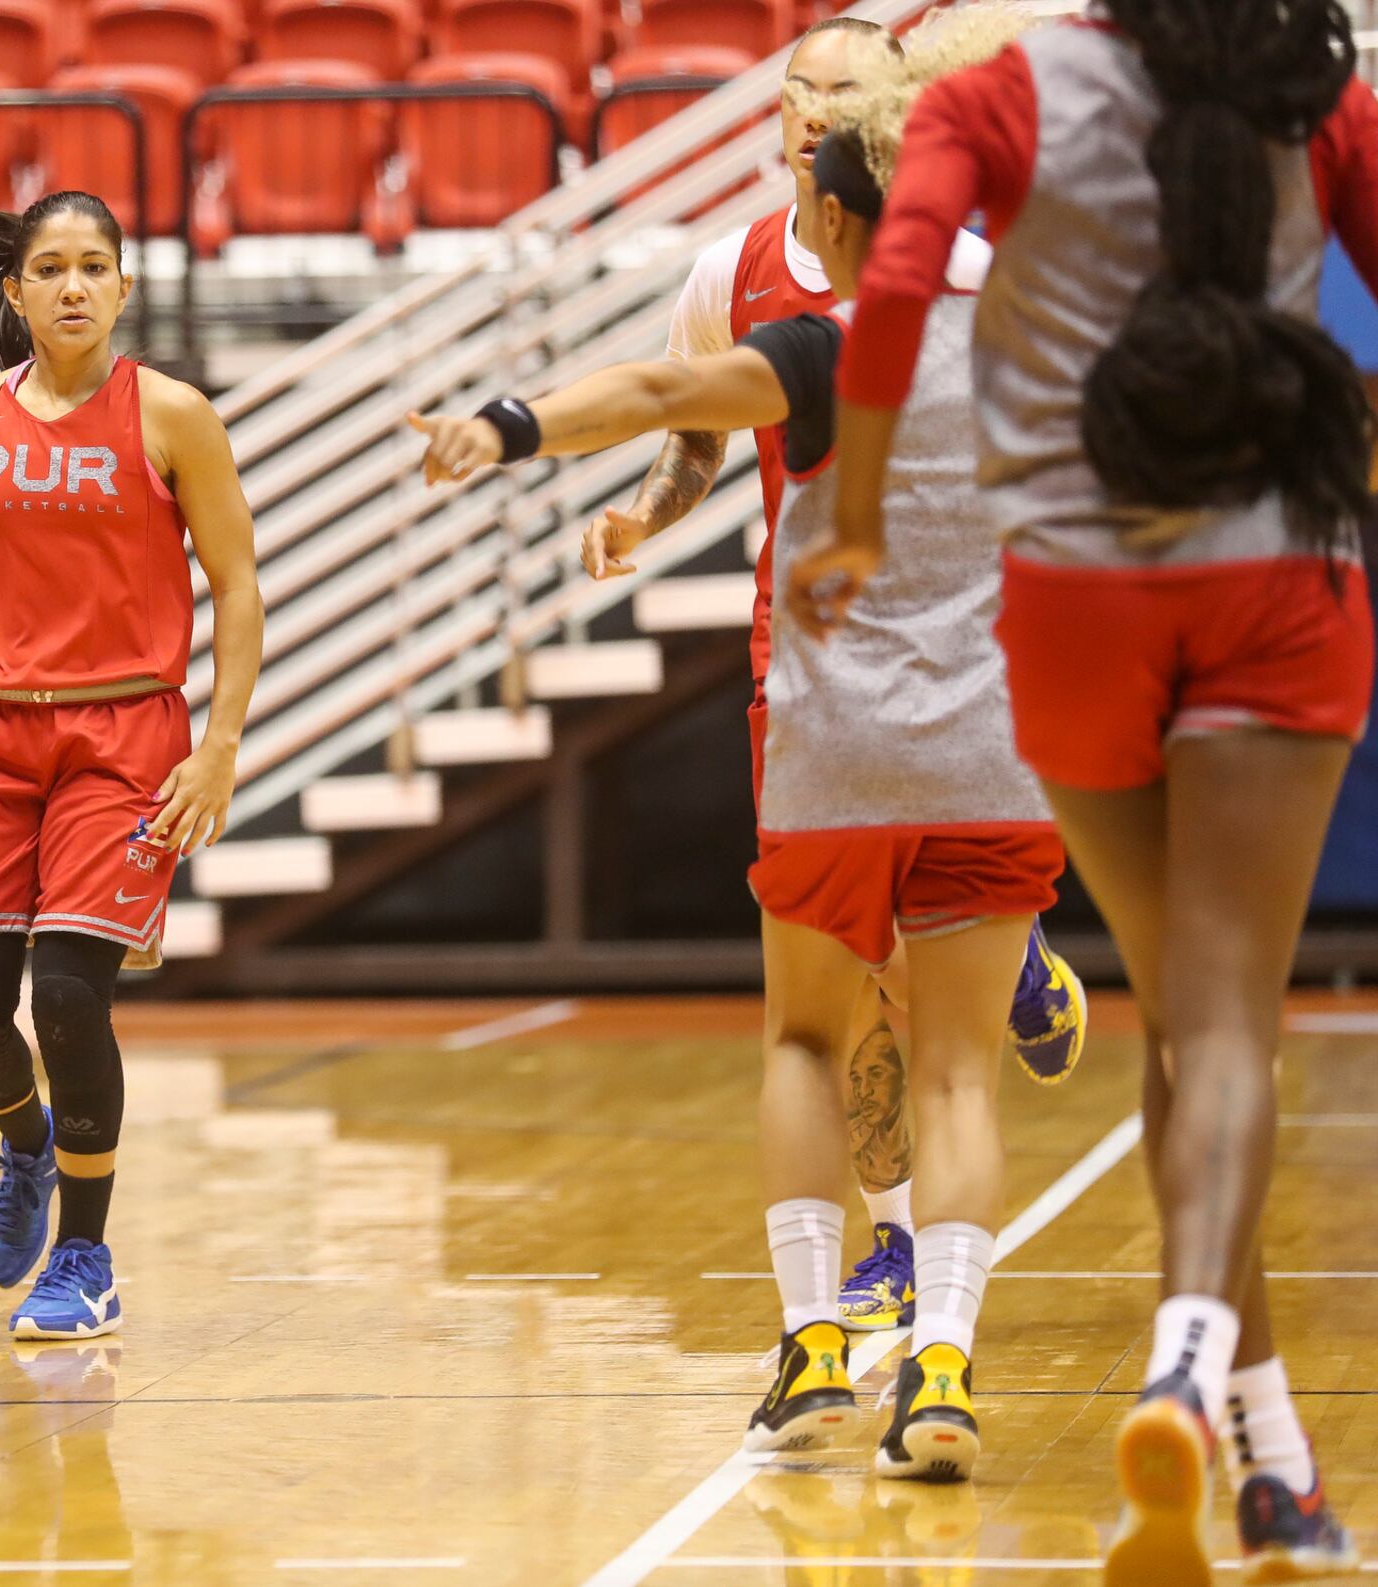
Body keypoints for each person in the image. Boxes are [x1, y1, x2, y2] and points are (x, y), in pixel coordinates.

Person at [413, 5, 1048, 1484]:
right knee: (959, 1076)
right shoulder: (1037, 337)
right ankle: (941, 1368)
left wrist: (507, 427)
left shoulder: (821, 343)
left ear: (836, 199)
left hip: (833, 743)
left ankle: (818, 1346)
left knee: (808, 1039)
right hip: (991, 739)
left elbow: (650, 393)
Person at [805, 0, 1378, 1576]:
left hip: (1074, 597)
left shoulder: (993, 94)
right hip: (1277, 575)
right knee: (1230, 1023)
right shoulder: (1309, 93)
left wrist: (853, 510)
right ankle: (1188, 1363)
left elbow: (901, 280)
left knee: (1183, 1021)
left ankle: (1270, 1461)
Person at [589, 14, 1086, 1337]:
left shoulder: (978, 269)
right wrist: (647, 514)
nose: (816, 109)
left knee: (903, 991)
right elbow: (690, 429)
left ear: (895, 115)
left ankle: (1011, 961)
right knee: (847, 972)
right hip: (802, 656)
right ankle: (895, 1240)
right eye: (799, 88)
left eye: (844, 89)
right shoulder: (732, 270)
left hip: (956, 653)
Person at [0, 190, 262, 1341]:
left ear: (124, 289)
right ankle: (29, 1148)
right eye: (52, 267)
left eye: (96, 266)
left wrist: (221, 745)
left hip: (123, 737)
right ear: (17, 291)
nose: (75, 285)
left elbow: (236, 584)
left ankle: (83, 1255)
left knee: (73, 994)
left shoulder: (175, 415)